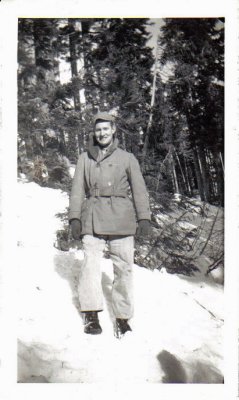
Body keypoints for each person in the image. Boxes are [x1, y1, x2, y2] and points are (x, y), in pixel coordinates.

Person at [69, 111, 151, 338]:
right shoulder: (84, 158)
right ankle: (91, 312)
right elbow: (77, 191)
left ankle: (123, 318)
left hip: (121, 217)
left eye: (106, 128)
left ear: (114, 130)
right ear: (93, 133)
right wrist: (75, 217)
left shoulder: (127, 158)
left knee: (124, 268)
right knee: (90, 266)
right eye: (98, 129)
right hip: (93, 216)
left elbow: (139, 190)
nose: (102, 133)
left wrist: (144, 217)